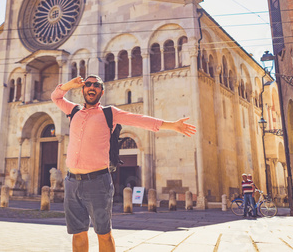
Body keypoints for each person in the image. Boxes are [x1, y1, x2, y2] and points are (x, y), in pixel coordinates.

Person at [51, 75, 197, 252]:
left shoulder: (109, 113)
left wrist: (172, 125)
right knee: (78, 233)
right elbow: (56, 97)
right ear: (82, 89)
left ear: (102, 91)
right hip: (71, 182)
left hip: (97, 182)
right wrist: (69, 85)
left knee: (103, 233)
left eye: (96, 85)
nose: (91, 87)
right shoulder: (73, 110)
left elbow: (140, 120)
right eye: (88, 84)